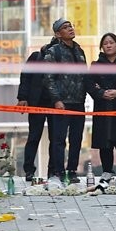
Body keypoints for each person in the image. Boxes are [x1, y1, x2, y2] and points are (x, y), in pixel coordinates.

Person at [41, 18, 87, 187]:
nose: (70, 29)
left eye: (70, 26)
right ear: (58, 34)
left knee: (77, 138)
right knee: (59, 139)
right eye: (65, 28)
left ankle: (72, 170)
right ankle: (58, 171)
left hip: (79, 102)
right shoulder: (54, 52)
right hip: (62, 103)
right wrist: (57, 99)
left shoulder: (79, 51)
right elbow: (48, 78)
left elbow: (84, 76)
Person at [86, 33, 116, 183]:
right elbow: (89, 84)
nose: (108, 45)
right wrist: (100, 93)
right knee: (104, 141)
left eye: (111, 42)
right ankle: (107, 170)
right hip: (103, 106)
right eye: (105, 43)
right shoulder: (96, 65)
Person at [17, 39, 58, 183]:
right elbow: (25, 77)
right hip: (37, 102)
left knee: (56, 139)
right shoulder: (36, 57)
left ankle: (53, 171)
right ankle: (29, 170)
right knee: (34, 137)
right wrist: (22, 97)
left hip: (56, 104)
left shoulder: (62, 60)